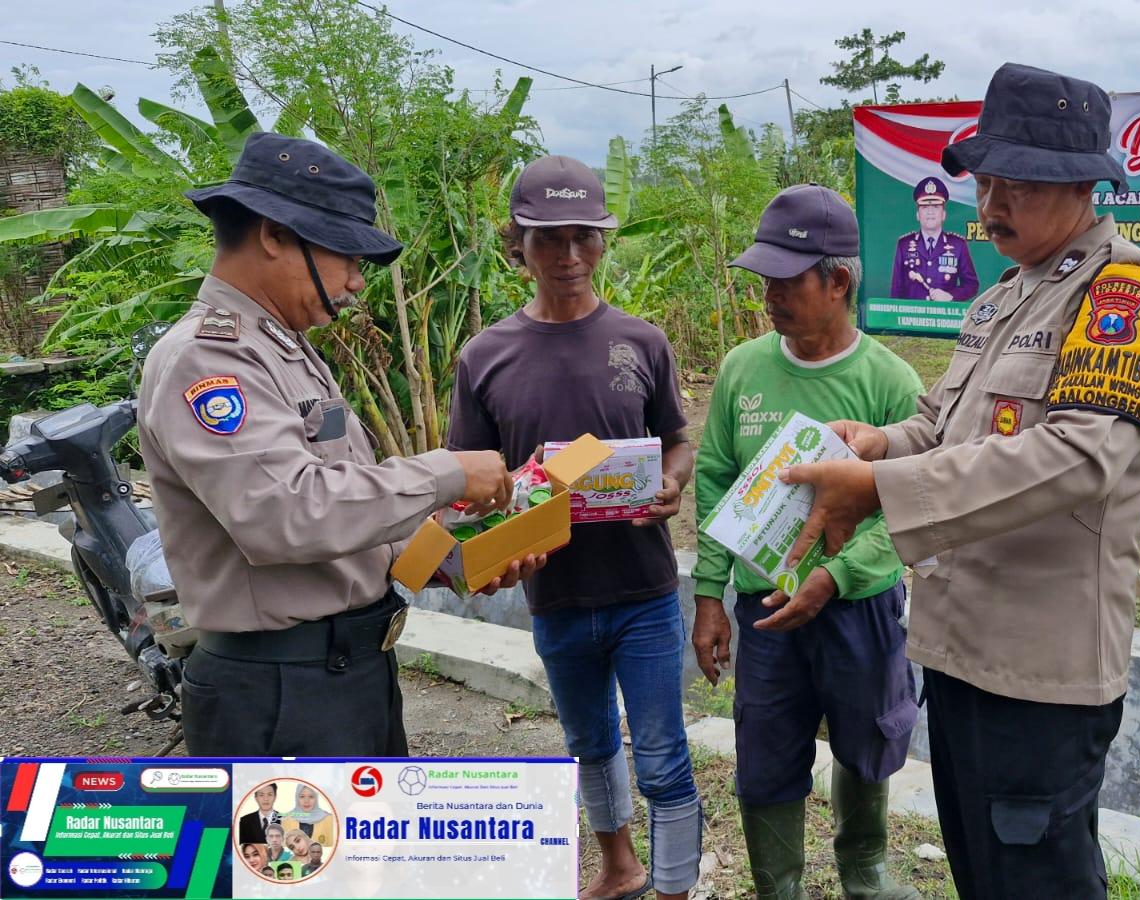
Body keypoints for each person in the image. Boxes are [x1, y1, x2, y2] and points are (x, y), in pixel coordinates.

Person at [778, 63, 1140, 899]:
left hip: (1040, 671)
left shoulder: (1123, 295)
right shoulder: (1006, 296)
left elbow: (1082, 456)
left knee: (1037, 879)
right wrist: (879, 445)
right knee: (984, 873)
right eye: (987, 181)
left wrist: (881, 493)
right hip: (962, 650)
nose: (992, 203)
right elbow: (946, 424)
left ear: (1085, 185)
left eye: (1020, 184)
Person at [139, 132, 543, 757]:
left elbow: (337, 502)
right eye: (346, 255)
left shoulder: (283, 348)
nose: (357, 281)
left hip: (346, 674)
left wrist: (444, 559)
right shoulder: (208, 360)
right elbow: (287, 514)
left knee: (368, 857)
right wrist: (446, 473)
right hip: (280, 692)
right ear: (274, 234)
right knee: (296, 855)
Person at [447, 154, 699, 900]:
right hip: (553, 591)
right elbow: (471, 479)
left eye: (585, 237)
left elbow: (676, 440)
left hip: (645, 590)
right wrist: (493, 516)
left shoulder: (641, 342)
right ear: (515, 245)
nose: (569, 256)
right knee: (589, 744)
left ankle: (677, 884)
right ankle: (619, 866)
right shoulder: (485, 356)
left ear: (602, 242)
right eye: (548, 239)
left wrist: (673, 481)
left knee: (661, 754)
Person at [692, 184, 925, 900]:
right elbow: (715, 477)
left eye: (785, 281)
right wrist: (708, 595)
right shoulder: (743, 369)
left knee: (868, 739)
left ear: (839, 281)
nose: (769, 295)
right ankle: (778, 886)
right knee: (765, 747)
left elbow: (905, 508)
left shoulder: (890, 383)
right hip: (765, 604)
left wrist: (839, 575)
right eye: (763, 279)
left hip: (859, 607)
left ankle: (865, 869)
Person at [888, 176, 980, 303]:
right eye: (925, 207)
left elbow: (972, 285)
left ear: (943, 214)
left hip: (944, 320)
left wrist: (951, 296)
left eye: (936, 206)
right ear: (917, 215)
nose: (930, 212)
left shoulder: (958, 245)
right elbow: (896, 291)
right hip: (912, 319)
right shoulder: (904, 245)